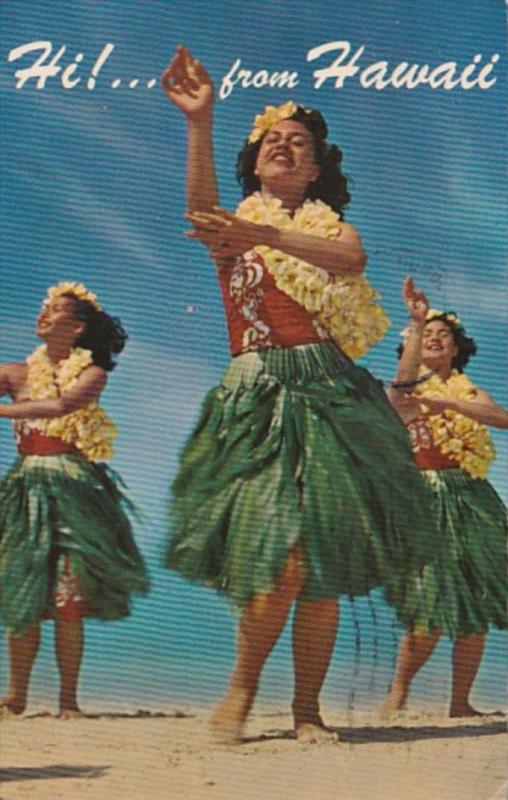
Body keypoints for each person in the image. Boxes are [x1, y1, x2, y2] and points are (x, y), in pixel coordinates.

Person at [161, 46, 434, 743]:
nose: (283, 147)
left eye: (299, 144)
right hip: (258, 396)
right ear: (255, 164)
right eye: (271, 142)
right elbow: (200, 212)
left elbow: (351, 259)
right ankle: (241, 691)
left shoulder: (327, 228)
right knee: (277, 555)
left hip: (330, 396)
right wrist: (201, 122)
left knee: (320, 564)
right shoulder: (234, 235)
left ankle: (307, 711)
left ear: (315, 170)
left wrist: (269, 233)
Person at [0, 281, 149, 719]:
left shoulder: (92, 373)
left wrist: (3, 412)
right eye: (42, 306)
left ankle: (68, 701)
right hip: (25, 486)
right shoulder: (14, 373)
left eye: (54, 309)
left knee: (68, 597)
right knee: (22, 589)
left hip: (74, 488)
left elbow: (63, 406)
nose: (42, 314)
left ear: (78, 326)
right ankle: (17, 695)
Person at [381, 277, 507, 717]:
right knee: (429, 601)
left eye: (443, 335)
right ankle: (397, 692)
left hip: (471, 496)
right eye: (426, 336)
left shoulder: (469, 392)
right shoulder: (406, 389)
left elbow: (502, 418)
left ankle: (460, 702)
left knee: (476, 602)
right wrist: (416, 323)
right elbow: (400, 396)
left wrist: (451, 406)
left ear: (456, 349)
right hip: (424, 496)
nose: (435, 339)